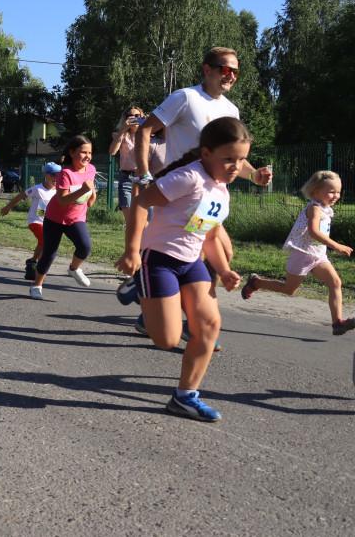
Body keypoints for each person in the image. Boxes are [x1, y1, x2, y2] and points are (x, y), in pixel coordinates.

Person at [116, 117, 251, 422]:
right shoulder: (188, 178)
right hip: (159, 261)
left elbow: (211, 235)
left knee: (209, 325)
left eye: (241, 159)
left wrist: (224, 270)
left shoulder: (221, 190)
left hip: (191, 264)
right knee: (167, 339)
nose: (235, 166)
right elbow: (140, 203)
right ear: (206, 154)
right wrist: (132, 251)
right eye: (228, 158)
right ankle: (141, 284)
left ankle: (185, 396)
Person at [132, 47, 271, 337]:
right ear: (207, 69)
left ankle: (155, 300)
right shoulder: (185, 97)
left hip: (210, 195)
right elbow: (146, 130)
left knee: (219, 252)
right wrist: (144, 173)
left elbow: (234, 155)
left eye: (236, 71)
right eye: (225, 69)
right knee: (208, 251)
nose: (231, 76)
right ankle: (178, 309)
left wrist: (254, 175)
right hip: (180, 190)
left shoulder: (231, 110)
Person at [242, 170, 355, 335]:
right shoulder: (315, 209)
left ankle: (337, 323)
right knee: (289, 289)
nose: (336, 195)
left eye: (338, 191)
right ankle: (256, 283)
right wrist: (336, 246)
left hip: (318, 256)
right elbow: (313, 232)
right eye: (331, 191)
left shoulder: (326, 208)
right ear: (316, 191)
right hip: (302, 254)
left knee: (335, 283)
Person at [28, 136, 97, 299]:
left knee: (85, 246)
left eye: (90, 152)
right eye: (83, 152)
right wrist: (82, 190)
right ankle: (36, 284)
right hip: (55, 218)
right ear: (72, 153)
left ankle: (74, 268)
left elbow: (90, 187)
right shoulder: (65, 173)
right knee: (49, 253)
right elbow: (62, 200)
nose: (87, 156)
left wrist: (92, 194)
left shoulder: (91, 169)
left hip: (76, 218)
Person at [0, 161, 61, 280]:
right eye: (52, 175)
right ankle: (36, 263)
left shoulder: (58, 191)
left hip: (48, 223)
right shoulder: (37, 189)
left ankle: (33, 262)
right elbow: (21, 196)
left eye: (58, 175)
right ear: (45, 175)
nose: (55, 178)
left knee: (44, 243)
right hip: (35, 221)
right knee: (45, 241)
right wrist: (8, 207)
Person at [109, 106, 145, 213]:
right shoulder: (120, 135)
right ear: (125, 118)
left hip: (144, 177)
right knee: (129, 218)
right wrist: (123, 129)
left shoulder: (147, 134)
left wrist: (149, 125)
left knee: (146, 216)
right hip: (127, 178)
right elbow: (112, 151)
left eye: (137, 116)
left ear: (142, 117)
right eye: (130, 116)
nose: (134, 118)